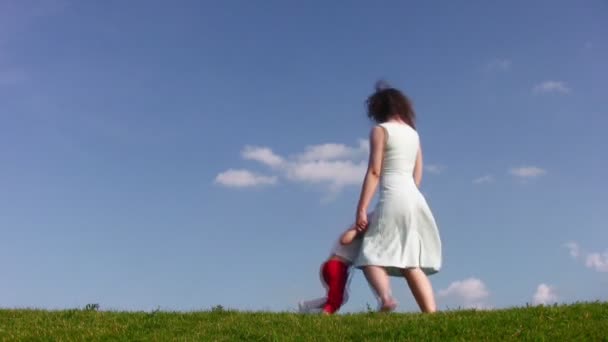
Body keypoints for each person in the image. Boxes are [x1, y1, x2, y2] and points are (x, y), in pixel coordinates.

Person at [354, 81, 442, 313]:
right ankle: (432, 315)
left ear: (378, 109)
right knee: (410, 261)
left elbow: (375, 171)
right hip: (414, 198)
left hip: (392, 195)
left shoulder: (381, 130)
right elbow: (418, 173)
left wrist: (362, 208)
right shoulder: (413, 134)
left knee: (369, 255)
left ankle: (385, 299)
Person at [298, 215, 369, 314]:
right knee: (335, 301)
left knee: (342, 297)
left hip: (335, 266)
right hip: (336, 266)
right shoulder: (358, 228)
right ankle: (323, 320)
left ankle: (307, 306)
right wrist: (359, 230)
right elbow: (344, 239)